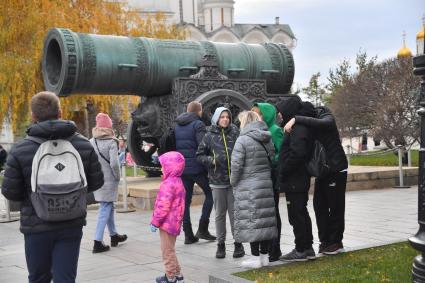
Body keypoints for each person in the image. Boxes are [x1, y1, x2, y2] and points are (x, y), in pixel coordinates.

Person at [1, 91, 104, 282]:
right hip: (71, 223)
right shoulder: (82, 145)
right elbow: (97, 182)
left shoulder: (20, 149)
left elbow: (10, 192)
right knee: (65, 278)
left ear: (33, 115)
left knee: (39, 277)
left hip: (36, 225)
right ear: (60, 112)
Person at [284, 105, 348, 255]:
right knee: (319, 206)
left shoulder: (324, 114)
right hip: (323, 171)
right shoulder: (308, 122)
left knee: (336, 207)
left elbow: (327, 123)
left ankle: (335, 242)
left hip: (336, 168)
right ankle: (325, 241)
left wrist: (296, 119)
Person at [196, 107, 245, 259]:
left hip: (234, 181)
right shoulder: (209, 135)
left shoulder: (235, 132)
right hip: (217, 181)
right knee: (220, 214)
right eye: (222, 117)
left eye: (227, 117)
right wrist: (211, 161)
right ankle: (221, 245)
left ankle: (238, 244)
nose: (225, 119)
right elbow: (199, 155)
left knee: (234, 214)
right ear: (217, 118)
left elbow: (243, 150)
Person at [231, 111, 277, 268]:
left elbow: (236, 165)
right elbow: (271, 158)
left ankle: (255, 258)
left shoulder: (242, 140)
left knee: (252, 222)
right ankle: (264, 256)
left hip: (248, 186)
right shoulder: (266, 138)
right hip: (265, 184)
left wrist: (233, 181)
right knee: (263, 221)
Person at [276, 95, 316, 262]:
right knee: (301, 212)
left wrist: (284, 170)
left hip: (295, 178)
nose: (278, 115)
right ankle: (307, 247)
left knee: (296, 214)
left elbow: (297, 153)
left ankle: (301, 248)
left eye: (280, 112)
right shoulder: (298, 125)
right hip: (298, 178)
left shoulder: (297, 128)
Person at [175, 101, 216, 244]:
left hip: (182, 168)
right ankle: (203, 228)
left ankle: (188, 235)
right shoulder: (198, 124)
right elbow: (203, 146)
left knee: (185, 201)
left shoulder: (178, 124)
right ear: (199, 111)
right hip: (197, 168)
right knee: (211, 194)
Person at [90, 113, 127, 253]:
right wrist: (117, 177)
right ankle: (97, 241)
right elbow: (114, 164)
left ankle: (114, 235)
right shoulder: (112, 142)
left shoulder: (91, 141)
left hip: (97, 179)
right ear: (109, 126)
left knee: (108, 205)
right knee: (105, 207)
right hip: (109, 180)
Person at [252, 102, 284, 261]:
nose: (257, 117)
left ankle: (275, 248)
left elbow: (280, 154)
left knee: (273, 213)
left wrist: (266, 159)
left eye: (260, 114)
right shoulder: (258, 131)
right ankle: (267, 247)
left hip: (271, 176)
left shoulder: (275, 131)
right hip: (261, 177)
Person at [150, 151, 186, 283]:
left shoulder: (168, 184)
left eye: (163, 166)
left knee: (167, 251)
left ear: (170, 167)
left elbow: (163, 206)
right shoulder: (178, 181)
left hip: (166, 224)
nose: (161, 168)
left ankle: (170, 277)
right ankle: (178, 274)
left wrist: (155, 222)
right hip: (175, 223)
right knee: (170, 249)